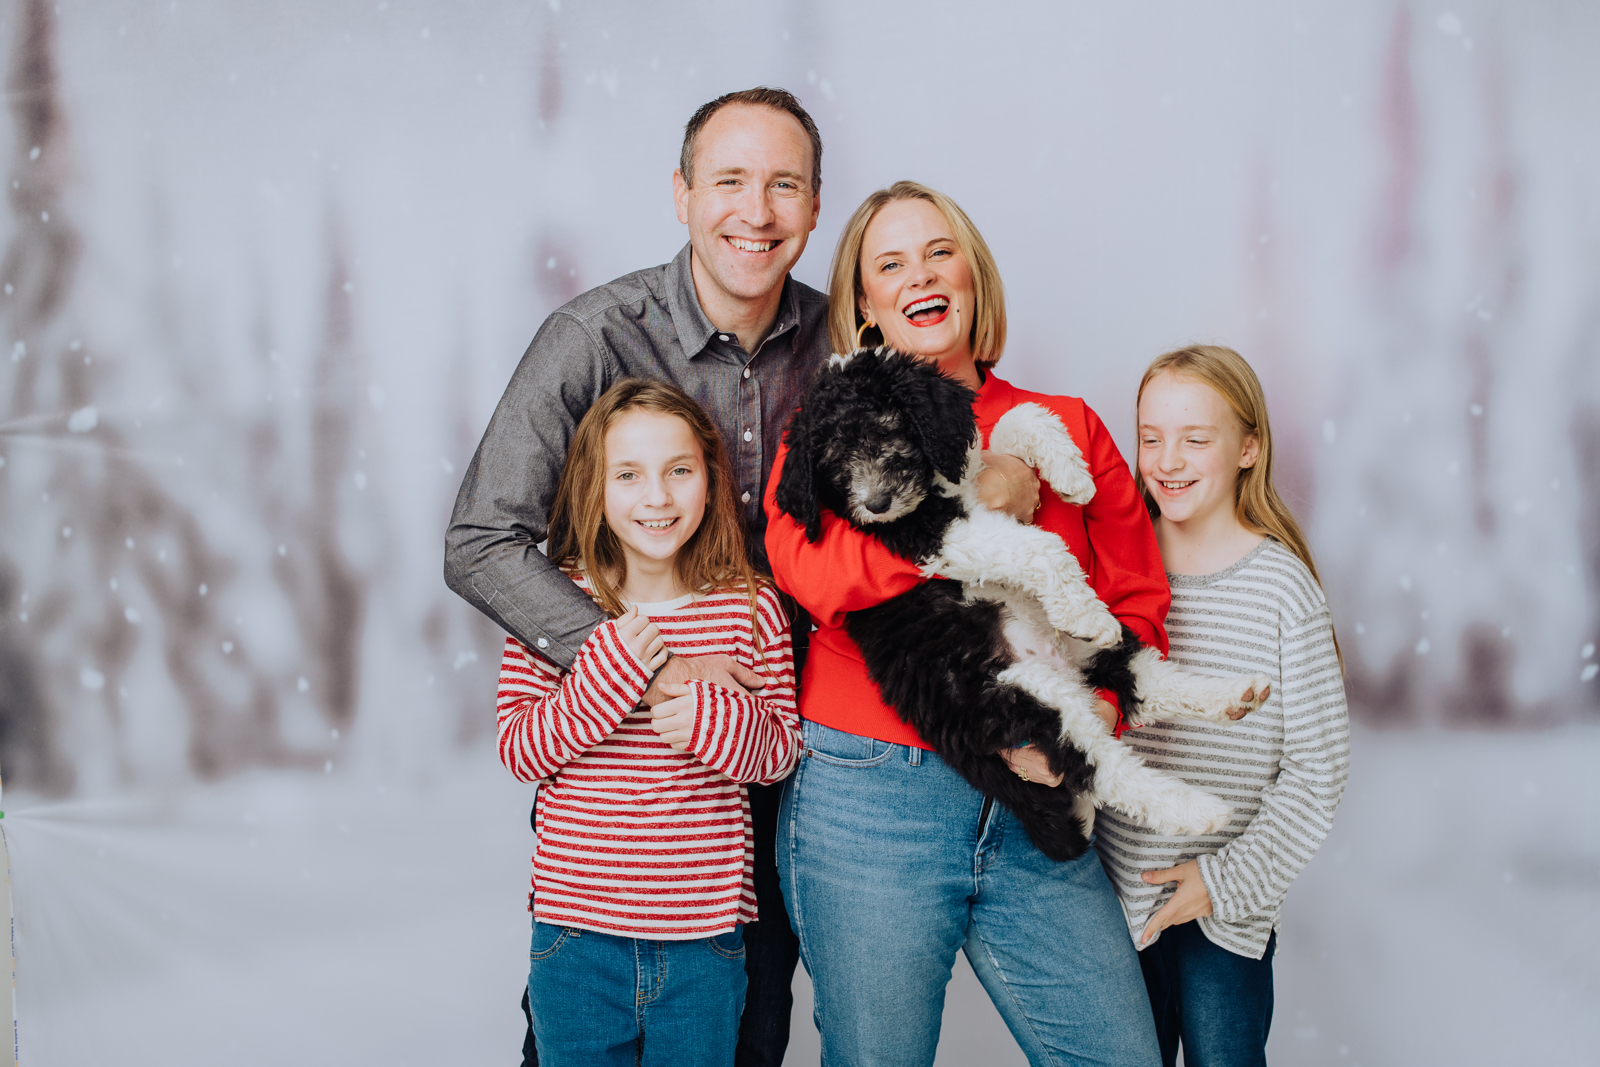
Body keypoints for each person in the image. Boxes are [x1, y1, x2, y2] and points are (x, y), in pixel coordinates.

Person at [445, 87, 828, 1066]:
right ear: (682, 193)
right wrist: (648, 669)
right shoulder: (594, 335)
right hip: (616, 779)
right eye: (730, 180)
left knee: (745, 1022)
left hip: (780, 752)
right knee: (583, 1027)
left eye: (783, 184)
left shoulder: (843, 343)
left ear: (815, 206)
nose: (756, 211)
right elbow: (482, 536)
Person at [763, 180, 1167, 1066]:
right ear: (866, 308)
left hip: (1037, 791)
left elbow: (1135, 598)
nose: (921, 274)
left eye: (939, 252)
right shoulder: (828, 426)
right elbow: (815, 573)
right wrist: (969, 516)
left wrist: (1093, 720)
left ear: (974, 276)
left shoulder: (1063, 426)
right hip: (873, 796)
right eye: (890, 263)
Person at [497, 378, 800, 1066]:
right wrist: (606, 679)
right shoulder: (558, 602)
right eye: (627, 475)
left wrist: (712, 719)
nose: (657, 497)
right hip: (576, 935)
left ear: (710, 478)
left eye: (679, 471)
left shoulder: (752, 609)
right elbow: (519, 748)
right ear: (594, 487)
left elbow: (781, 749)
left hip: (706, 941)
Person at [1096, 345, 1351, 1067]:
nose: (1168, 459)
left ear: (1249, 447)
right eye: (1151, 438)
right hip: (1112, 898)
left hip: (1227, 915)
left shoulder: (1282, 590)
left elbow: (1317, 768)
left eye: (1195, 439)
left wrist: (1222, 881)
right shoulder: (1116, 569)